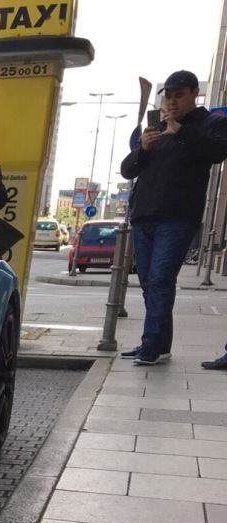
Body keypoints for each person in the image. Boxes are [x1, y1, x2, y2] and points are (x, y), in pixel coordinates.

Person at [118, 71, 227, 367]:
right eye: (168, 96)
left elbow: (217, 152)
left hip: (178, 216)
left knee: (162, 279)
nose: (172, 102)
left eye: (179, 95)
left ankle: (151, 345)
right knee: (149, 283)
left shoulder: (211, 123)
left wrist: (180, 132)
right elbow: (127, 170)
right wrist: (145, 147)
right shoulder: (157, 129)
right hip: (143, 214)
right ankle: (158, 344)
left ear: (194, 94)